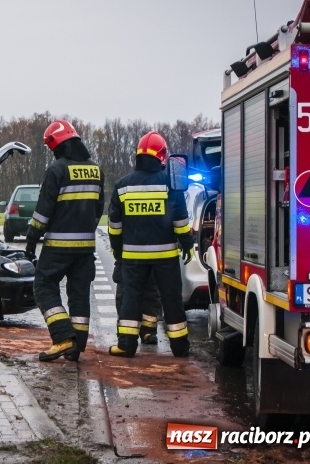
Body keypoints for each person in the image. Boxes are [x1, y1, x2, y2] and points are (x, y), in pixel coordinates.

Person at [108, 131, 194, 358]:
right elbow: (181, 222)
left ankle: (126, 345)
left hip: (133, 257)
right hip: (165, 257)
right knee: (171, 299)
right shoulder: (171, 184)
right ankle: (180, 347)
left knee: (131, 298)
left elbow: (114, 226)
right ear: (162, 156)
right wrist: (188, 244)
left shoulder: (122, 185)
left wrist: (119, 251)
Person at [25, 119, 104, 362]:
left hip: (58, 247)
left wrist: (31, 241)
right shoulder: (96, 170)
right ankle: (76, 347)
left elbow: (42, 212)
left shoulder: (56, 170)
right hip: (85, 248)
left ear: (57, 145)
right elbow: (98, 209)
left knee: (44, 286)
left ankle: (62, 338)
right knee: (79, 294)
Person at [112, 260, 162, 344]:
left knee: (150, 293)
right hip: (130, 259)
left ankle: (148, 331)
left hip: (140, 258)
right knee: (127, 296)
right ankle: (126, 334)